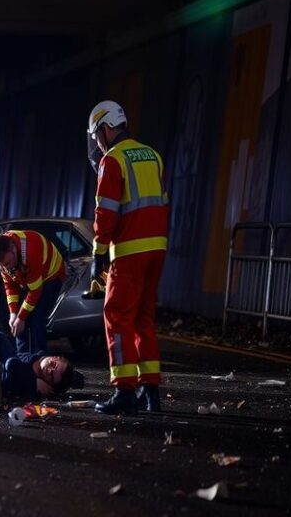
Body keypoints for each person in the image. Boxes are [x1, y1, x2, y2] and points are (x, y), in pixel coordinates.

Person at [86, 100, 169, 415]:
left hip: (129, 252)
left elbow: (105, 212)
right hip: (156, 250)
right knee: (144, 319)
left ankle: (123, 391)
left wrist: (99, 252)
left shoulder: (113, 160)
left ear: (106, 128)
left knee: (117, 317)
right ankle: (150, 391)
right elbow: (162, 203)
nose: (97, 142)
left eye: (96, 135)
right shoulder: (153, 156)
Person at [0, 230, 65, 353]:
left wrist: (21, 317)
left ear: (13, 249)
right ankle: (24, 361)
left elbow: (35, 291)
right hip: (30, 279)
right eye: (2, 266)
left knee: (36, 321)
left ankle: (40, 362)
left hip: (52, 276)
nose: (6, 269)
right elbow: (10, 286)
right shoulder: (4, 261)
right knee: (18, 324)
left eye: (7, 264)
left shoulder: (30, 251)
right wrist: (13, 314)